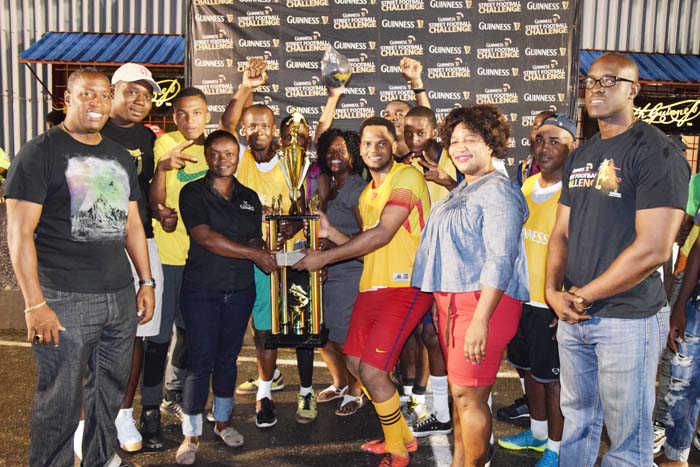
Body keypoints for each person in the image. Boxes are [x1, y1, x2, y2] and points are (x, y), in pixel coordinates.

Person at [545, 53, 690, 467]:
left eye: (610, 80)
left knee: (628, 438)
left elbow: (654, 249)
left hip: (628, 320)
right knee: (577, 423)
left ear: (634, 90)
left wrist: (581, 297)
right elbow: (560, 233)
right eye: (591, 81)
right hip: (576, 316)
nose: (598, 88)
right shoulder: (582, 153)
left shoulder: (658, 153)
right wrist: (552, 292)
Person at [5, 67, 154, 467]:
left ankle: (99, 459)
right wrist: (35, 304)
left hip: (119, 298)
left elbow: (132, 224)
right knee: (60, 400)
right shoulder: (39, 153)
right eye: (86, 94)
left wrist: (146, 280)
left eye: (104, 95)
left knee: (108, 393)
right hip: (64, 299)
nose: (97, 103)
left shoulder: (120, 157)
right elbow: (19, 235)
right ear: (66, 99)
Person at [294, 116, 433, 467]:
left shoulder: (407, 177)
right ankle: (402, 436)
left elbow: (383, 234)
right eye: (368, 144)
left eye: (382, 143)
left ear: (395, 145)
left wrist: (322, 257)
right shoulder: (370, 191)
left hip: (405, 286)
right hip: (371, 286)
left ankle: (397, 452)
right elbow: (364, 244)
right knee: (356, 363)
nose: (374, 150)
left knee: (372, 371)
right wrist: (329, 231)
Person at [411, 104, 529, 467]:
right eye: (455, 140)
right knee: (461, 396)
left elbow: (500, 259)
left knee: (470, 398)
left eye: (471, 139)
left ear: (491, 143)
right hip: (455, 304)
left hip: (484, 304)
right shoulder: (466, 187)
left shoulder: (498, 192)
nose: (461, 147)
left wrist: (480, 319)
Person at [173, 130, 278, 464]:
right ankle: (190, 436)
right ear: (207, 156)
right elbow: (205, 238)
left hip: (240, 290)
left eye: (229, 154)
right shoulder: (192, 193)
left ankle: (223, 422)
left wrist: (268, 251)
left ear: (238, 156)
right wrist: (253, 254)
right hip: (202, 288)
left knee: (227, 358)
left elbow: (254, 239)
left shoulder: (249, 197)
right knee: (200, 360)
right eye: (216, 153)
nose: (223, 160)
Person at [497, 114, 576, 467]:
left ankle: (556, 450)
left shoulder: (574, 195)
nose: (545, 148)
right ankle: (539, 433)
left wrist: (566, 304)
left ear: (572, 150)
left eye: (555, 141)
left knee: (553, 380)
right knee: (528, 371)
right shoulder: (527, 187)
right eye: (541, 140)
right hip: (521, 299)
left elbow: (579, 252)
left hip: (551, 305)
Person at [93, 62, 163, 453]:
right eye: (131, 91)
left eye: (147, 93)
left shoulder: (150, 139)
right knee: (91, 330)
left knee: (136, 331)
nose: (139, 99)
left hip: (141, 240)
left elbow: (147, 191)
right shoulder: (90, 131)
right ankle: (88, 417)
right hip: (95, 243)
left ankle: (123, 413)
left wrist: (162, 208)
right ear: (113, 92)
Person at [141, 86, 211, 449]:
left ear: (207, 115)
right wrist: (161, 211)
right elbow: (156, 196)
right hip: (167, 257)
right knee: (157, 338)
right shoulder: (164, 143)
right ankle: (149, 409)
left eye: (196, 113)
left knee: (191, 335)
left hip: (200, 260)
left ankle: (178, 395)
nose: (189, 120)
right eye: (182, 114)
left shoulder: (215, 149)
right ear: (173, 117)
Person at [399, 104, 456, 436]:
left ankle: (450, 408)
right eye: (408, 133)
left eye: (420, 132)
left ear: (434, 130)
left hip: (453, 266)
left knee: (441, 337)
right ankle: (442, 411)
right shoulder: (407, 166)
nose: (414, 138)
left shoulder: (452, 157)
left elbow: (474, 200)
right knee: (427, 335)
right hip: (422, 264)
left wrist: (447, 180)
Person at [314, 128, 367, 416]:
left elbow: (364, 238)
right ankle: (340, 383)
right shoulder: (331, 186)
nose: (334, 156)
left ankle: (356, 390)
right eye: (329, 151)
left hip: (349, 273)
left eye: (341, 150)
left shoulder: (356, 188)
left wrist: (331, 252)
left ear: (353, 155)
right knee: (325, 335)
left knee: (346, 337)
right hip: (327, 272)